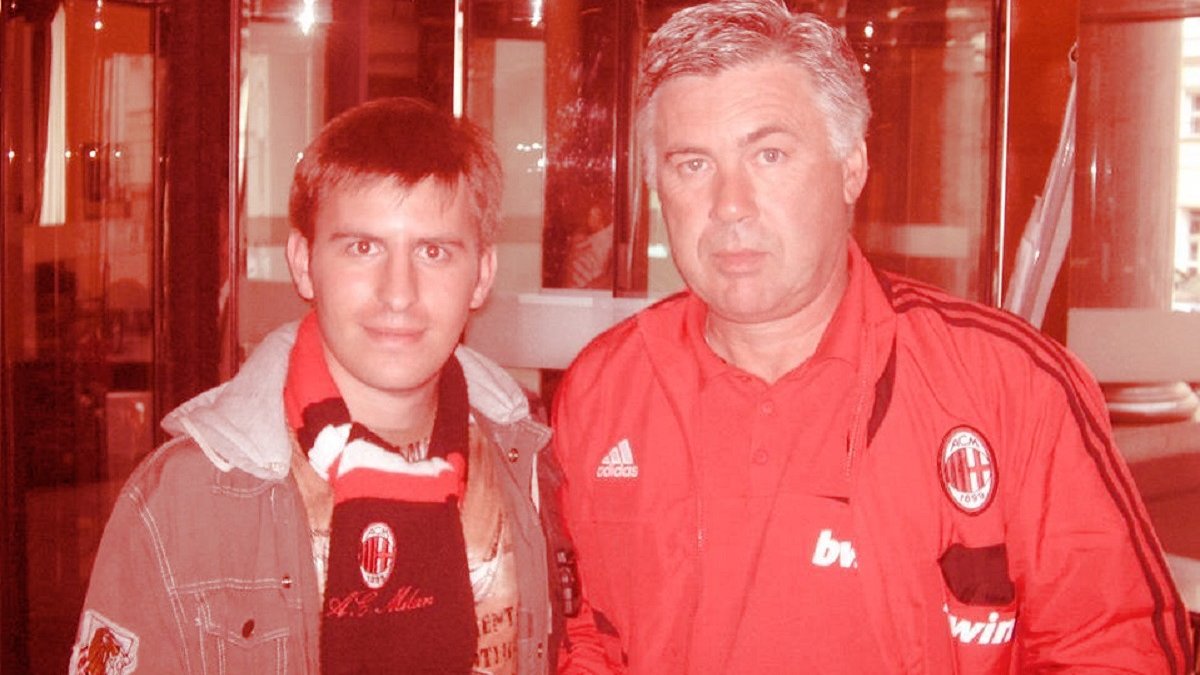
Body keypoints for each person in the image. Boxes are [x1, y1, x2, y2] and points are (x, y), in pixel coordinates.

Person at [551, 1, 1195, 673]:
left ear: (851, 167)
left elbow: (1113, 645)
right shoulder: (603, 390)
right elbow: (579, 637)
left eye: (769, 155)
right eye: (692, 164)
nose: (729, 205)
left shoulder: (1008, 385)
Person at [70, 97, 571, 674]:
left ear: (481, 275)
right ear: (304, 262)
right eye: (363, 247)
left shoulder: (527, 463)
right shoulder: (184, 501)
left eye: (433, 252)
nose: (398, 293)